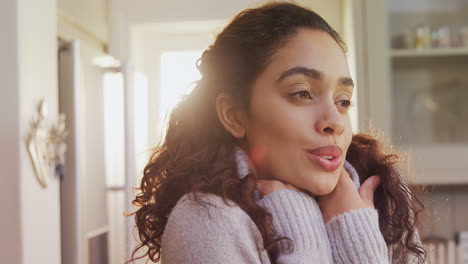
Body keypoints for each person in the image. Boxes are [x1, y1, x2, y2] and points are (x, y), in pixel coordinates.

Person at [128, 2, 426, 263]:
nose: (334, 121)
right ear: (234, 116)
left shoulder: (377, 200)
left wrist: (354, 228)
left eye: (343, 101)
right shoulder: (205, 221)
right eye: (302, 93)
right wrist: (303, 237)